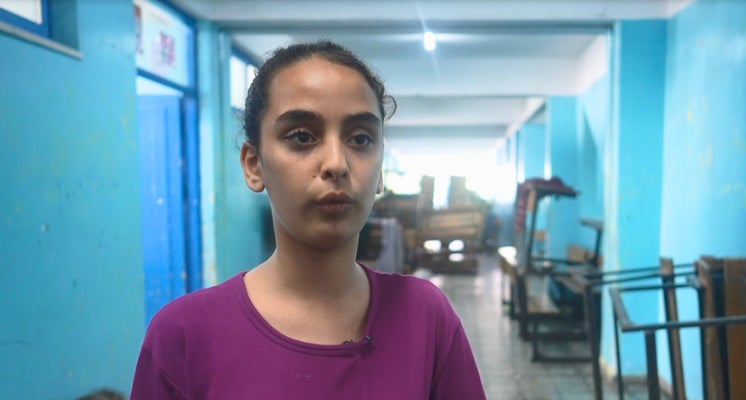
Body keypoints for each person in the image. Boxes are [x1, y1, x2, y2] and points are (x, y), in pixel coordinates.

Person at [130, 40, 486, 399]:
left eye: (361, 138)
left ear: (379, 172)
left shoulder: (424, 317)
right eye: (302, 136)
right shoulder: (183, 337)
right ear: (254, 165)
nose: (336, 163)